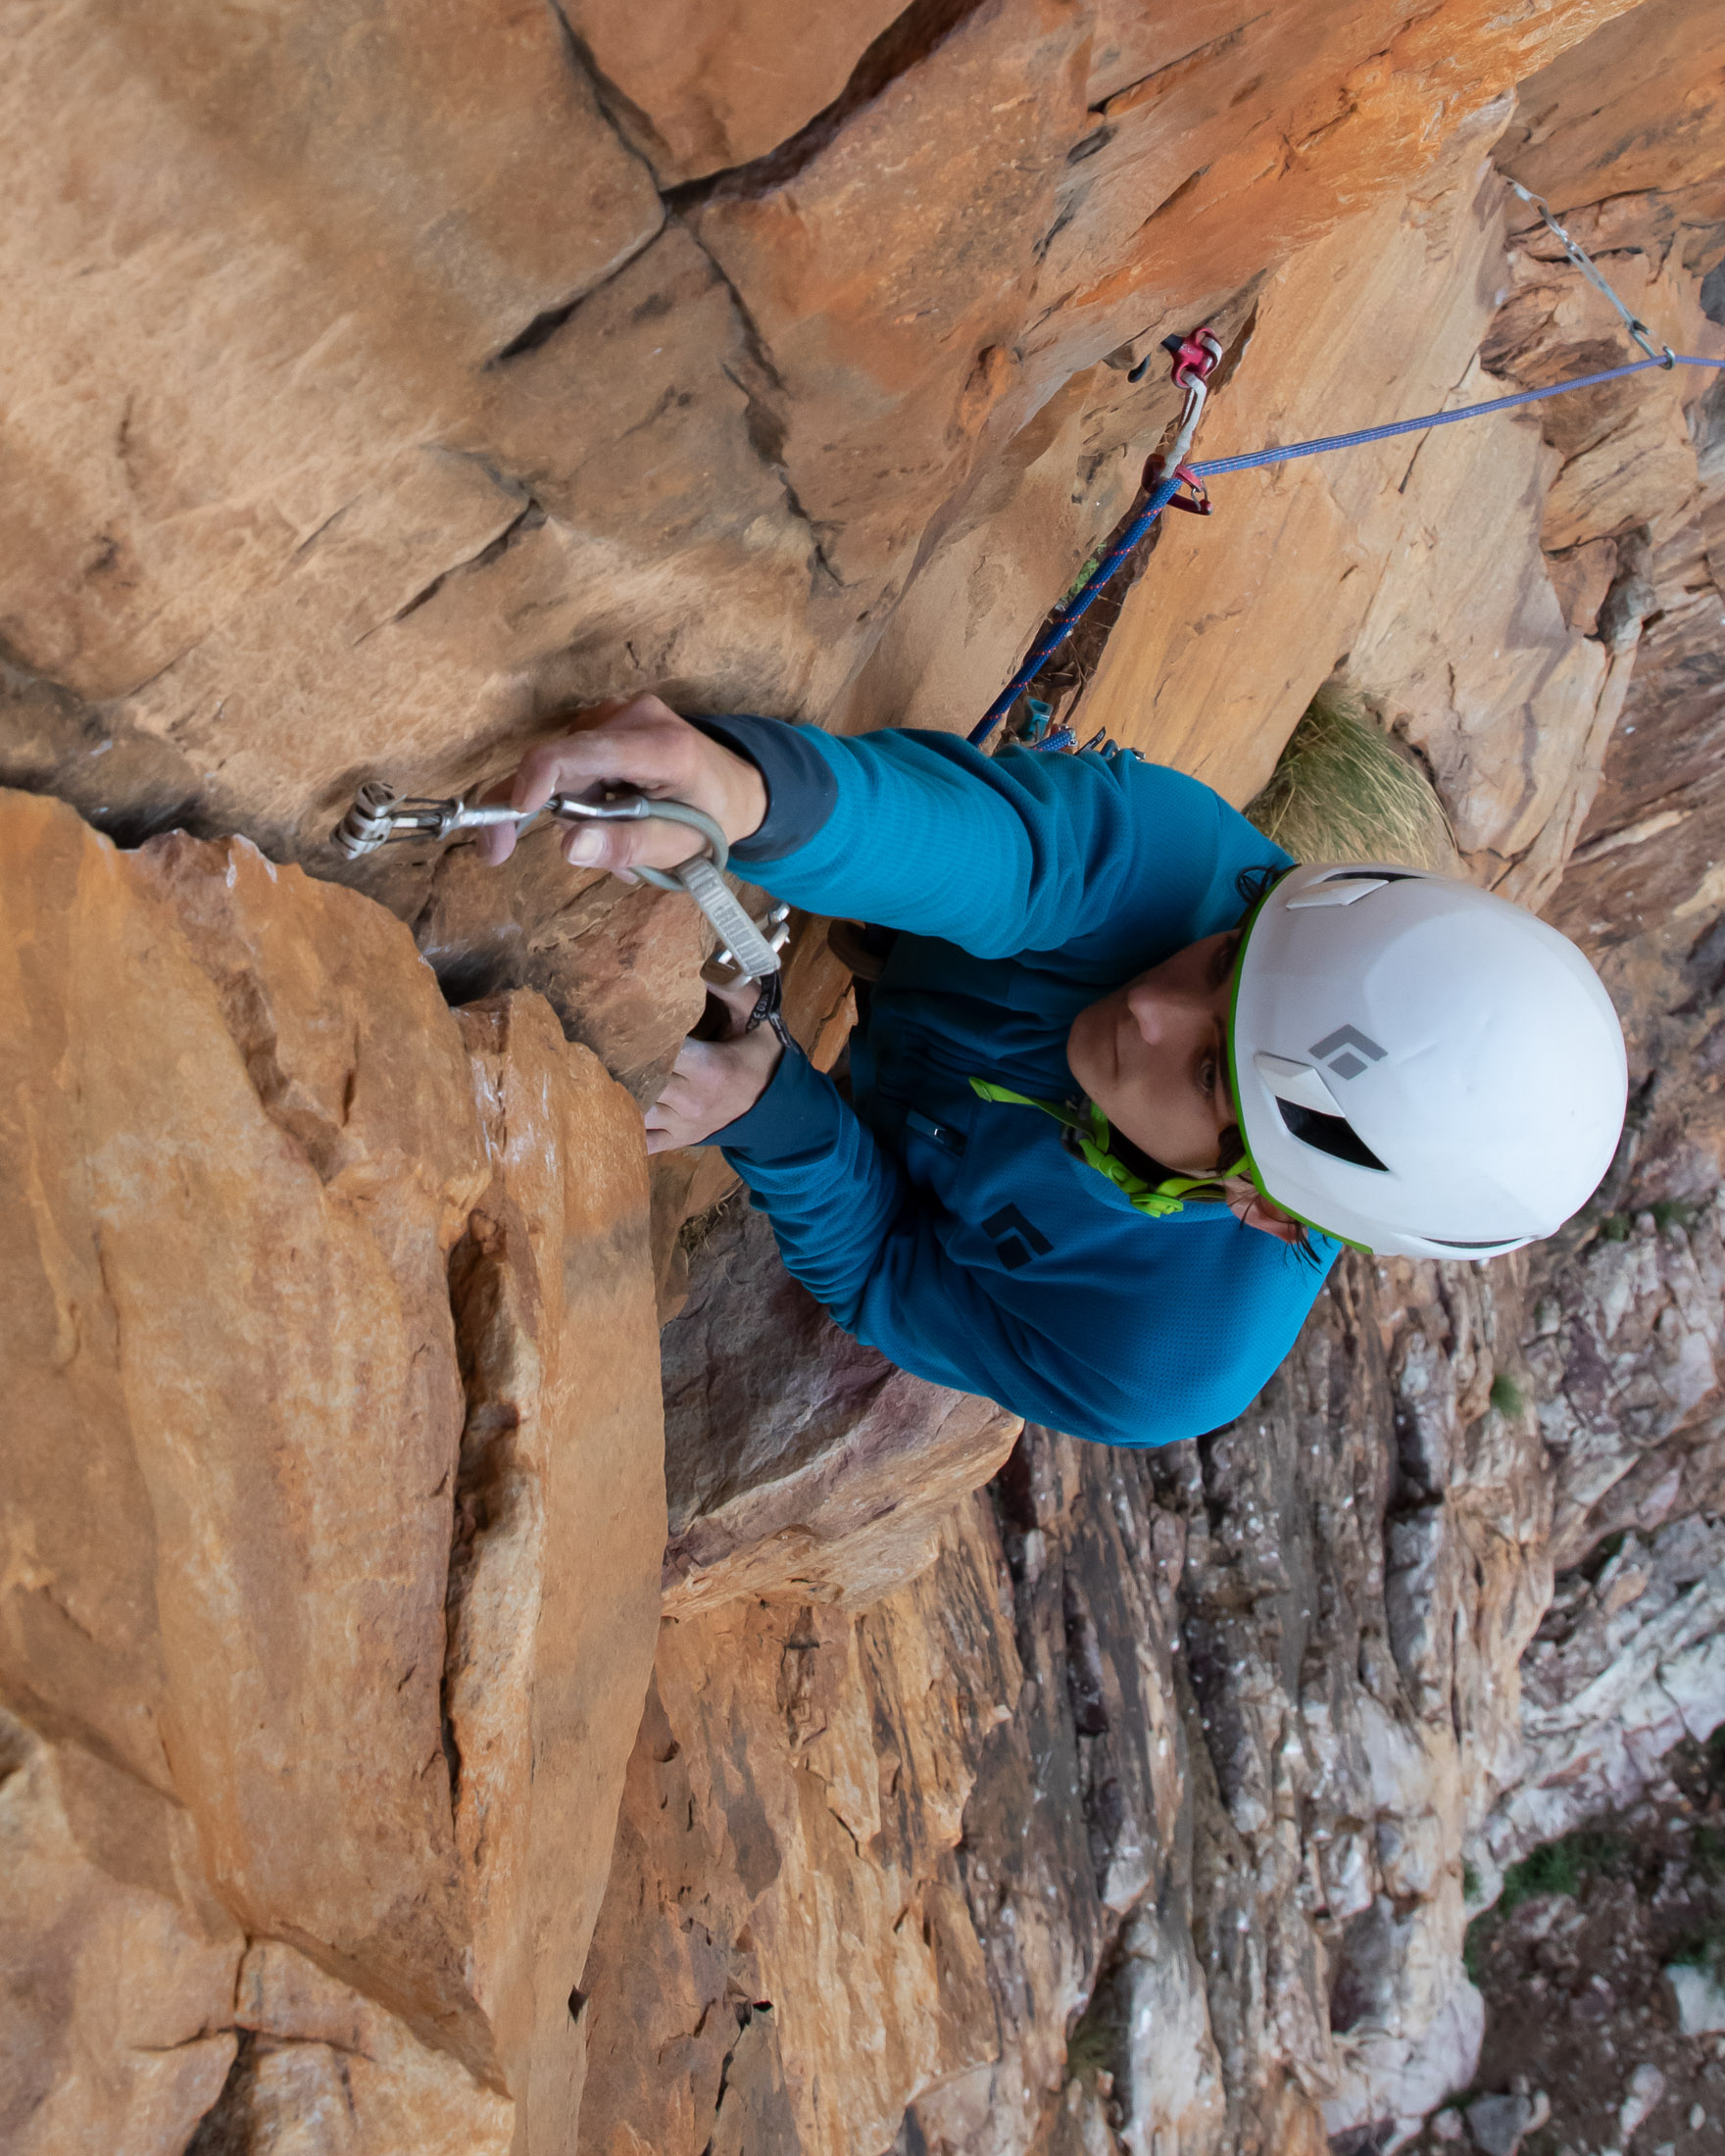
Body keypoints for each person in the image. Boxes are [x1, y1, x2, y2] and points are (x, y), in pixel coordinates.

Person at [478, 696, 1627, 1448]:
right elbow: (989, 855)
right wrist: (745, 798)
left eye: (1210, 1078)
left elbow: (890, 1274)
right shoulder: (1187, 865)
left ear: (1259, 1208)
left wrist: (774, 1114)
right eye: (1225, 962)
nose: (1150, 1006)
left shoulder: (1161, 1353)